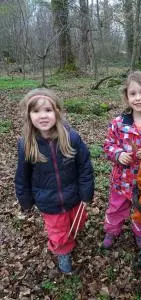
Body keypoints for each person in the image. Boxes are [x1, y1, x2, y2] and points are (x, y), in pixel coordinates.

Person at [15, 88, 94, 274]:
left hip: (73, 196)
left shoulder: (71, 138)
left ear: (57, 112)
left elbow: (85, 166)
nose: (43, 116)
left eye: (48, 110)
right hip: (48, 201)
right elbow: (22, 176)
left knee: (78, 222)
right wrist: (25, 199)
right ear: (28, 115)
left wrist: (86, 192)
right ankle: (63, 253)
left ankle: (70, 238)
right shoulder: (26, 144)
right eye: (36, 111)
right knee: (59, 233)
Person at [102, 71, 141, 249]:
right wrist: (118, 154)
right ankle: (112, 230)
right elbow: (108, 145)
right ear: (127, 97)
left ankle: (139, 233)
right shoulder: (119, 123)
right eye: (133, 93)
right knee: (116, 208)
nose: (138, 98)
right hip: (121, 180)